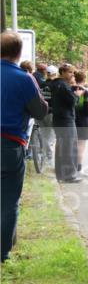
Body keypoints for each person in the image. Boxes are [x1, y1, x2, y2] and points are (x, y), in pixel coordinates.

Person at [1, 30, 49, 262]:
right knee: (9, 199)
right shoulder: (24, 78)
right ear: (19, 54)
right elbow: (39, 111)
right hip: (10, 144)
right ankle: (2, 252)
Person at [49, 64, 82, 183]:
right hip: (66, 120)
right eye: (70, 72)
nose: (72, 74)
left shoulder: (55, 84)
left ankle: (60, 173)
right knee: (69, 147)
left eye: (73, 72)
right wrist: (77, 96)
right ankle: (69, 175)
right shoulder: (63, 85)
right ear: (62, 72)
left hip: (58, 119)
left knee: (61, 147)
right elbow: (73, 101)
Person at [72, 71, 88, 173]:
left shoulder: (70, 89)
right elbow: (87, 109)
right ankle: (78, 166)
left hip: (71, 119)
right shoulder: (85, 92)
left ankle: (70, 164)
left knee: (72, 144)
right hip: (83, 121)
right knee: (81, 144)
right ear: (84, 80)